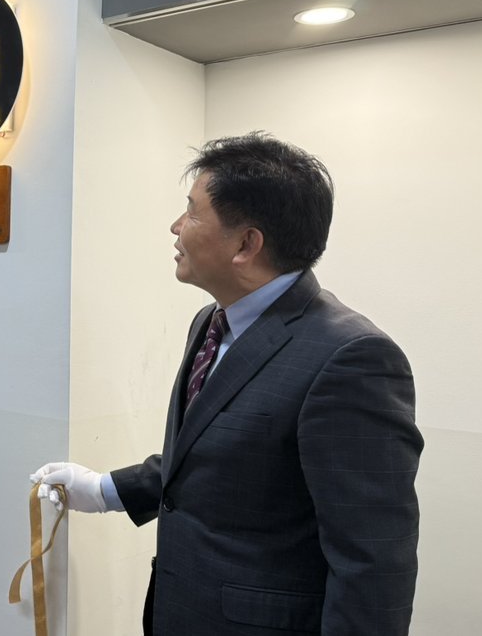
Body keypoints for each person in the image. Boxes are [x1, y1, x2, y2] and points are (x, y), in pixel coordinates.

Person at [32, 133, 422, 635]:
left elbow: (373, 566)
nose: (175, 227)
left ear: (246, 244)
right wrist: (104, 490)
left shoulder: (351, 358)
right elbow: (218, 461)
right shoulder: (211, 322)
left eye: (192, 212)